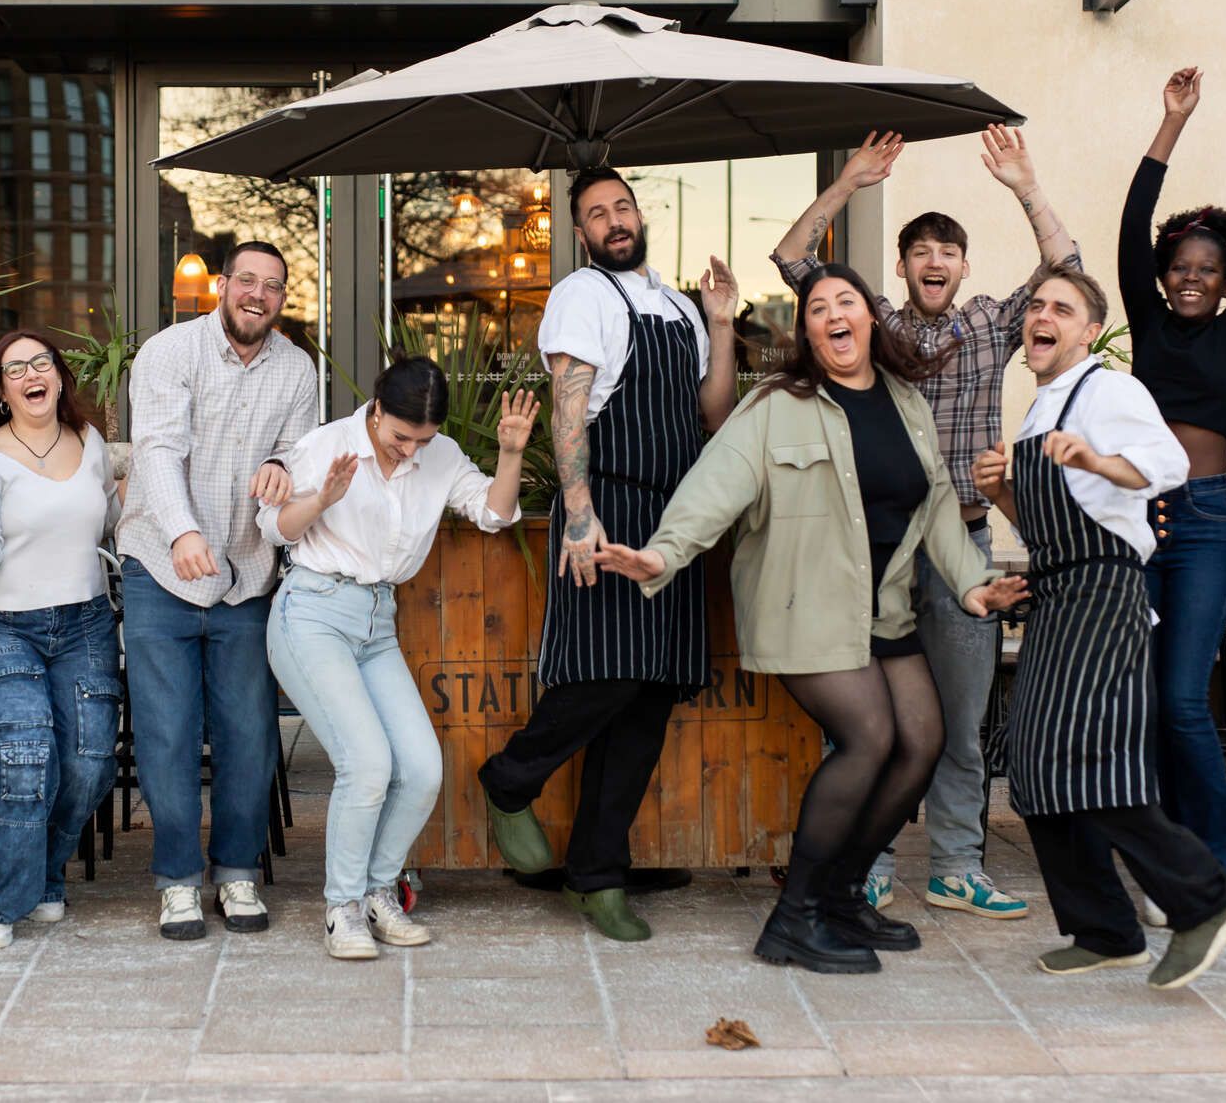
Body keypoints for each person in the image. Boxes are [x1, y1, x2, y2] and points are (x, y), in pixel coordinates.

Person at [597, 265, 1026, 974]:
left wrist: (976, 585)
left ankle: (842, 894)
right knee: (870, 737)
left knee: (922, 741)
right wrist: (662, 553)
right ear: (808, 332)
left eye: (846, 302)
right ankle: (794, 916)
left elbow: (938, 505)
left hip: (882, 607)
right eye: (817, 307)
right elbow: (715, 481)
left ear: (869, 320)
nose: (833, 314)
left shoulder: (905, 398)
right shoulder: (776, 403)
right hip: (805, 607)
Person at [771, 124, 1080, 920]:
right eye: (921, 252)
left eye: (948, 252)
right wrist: (848, 182)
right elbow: (792, 256)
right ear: (903, 267)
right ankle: (865, 862)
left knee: (961, 722)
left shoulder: (986, 325)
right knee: (868, 723)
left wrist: (1025, 183)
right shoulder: (870, 321)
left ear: (964, 266)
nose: (935, 263)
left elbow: (1069, 273)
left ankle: (953, 866)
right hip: (877, 553)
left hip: (964, 547)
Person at [478, 166, 738, 942]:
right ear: (582, 232)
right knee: (607, 671)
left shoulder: (681, 308)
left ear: (638, 214)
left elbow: (714, 413)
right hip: (610, 503)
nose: (614, 220)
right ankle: (510, 778)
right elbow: (570, 405)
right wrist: (581, 515)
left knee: (651, 697)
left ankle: (597, 875)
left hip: (675, 515)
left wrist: (721, 323)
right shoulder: (584, 295)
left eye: (621, 206)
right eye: (596, 213)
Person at [975, 265, 1226, 989]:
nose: (1043, 314)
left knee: (1089, 760)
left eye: (1062, 307)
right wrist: (1002, 494)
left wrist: (1097, 456)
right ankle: (1105, 930)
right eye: (1035, 303)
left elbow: (1169, 463)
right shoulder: (1040, 409)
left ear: (1089, 331)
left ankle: (1206, 901)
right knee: (1032, 767)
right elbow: (1047, 525)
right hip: (1059, 595)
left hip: (1104, 595)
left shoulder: (1109, 390)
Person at [261, 361, 535, 959]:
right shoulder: (327, 444)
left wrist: (511, 453)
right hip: (310, 612)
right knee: (366, 763)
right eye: (400, 437)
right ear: (377, 409)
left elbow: (493, 514)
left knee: (421, 769)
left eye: (423, 440)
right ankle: (343, 909)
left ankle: (381, 891)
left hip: (376, 622)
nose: (411, 449)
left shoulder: (439, 455)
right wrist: (322, 499)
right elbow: (273, 527)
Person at [118, 241, 317, 940]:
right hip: (161, 568)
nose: (257, 294)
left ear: (282, 299)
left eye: (272, 286)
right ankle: (177, 880)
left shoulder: (297, 370)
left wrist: (279, 464)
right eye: (247, 281)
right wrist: (180, 531)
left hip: (245, 571)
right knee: (167, 734)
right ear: (223, 286)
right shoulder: (170, 352)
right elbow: (159, 448)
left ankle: (235, 872)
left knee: (249, 734)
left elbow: (299, 449)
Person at [1117, 65, 1226, 882]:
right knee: (1142, 699)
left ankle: (1214, 854)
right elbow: (1133, 224)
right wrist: (1171, 120)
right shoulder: (1147, 321)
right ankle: (1160, 848)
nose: (1190, 276)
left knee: (1182, 698)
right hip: (1136, 517)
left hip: (1207, 522)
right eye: (1180, 264)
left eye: (1208, 268)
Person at [0, 330, 122, 950]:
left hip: (85, 621)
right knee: (24, 754)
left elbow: (109, 519)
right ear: (1, 389)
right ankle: (0, 900)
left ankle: (46, 871)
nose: (30, 374)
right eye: (14, 368)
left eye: (40, 362)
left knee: (89, 761)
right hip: (2, 625)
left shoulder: (91, 442)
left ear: (57, 375)